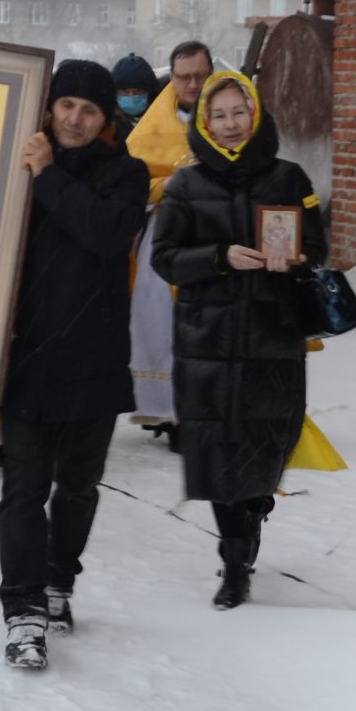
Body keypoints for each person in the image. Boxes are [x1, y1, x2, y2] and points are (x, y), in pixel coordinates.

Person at [149, 69, 325, 610]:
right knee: (217, 451)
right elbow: (165, 259)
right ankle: (234, 563)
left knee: (265, 445)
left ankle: (251, 520)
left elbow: (316, 250)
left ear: (255, 115)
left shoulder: (290, 179)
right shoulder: (185, 184)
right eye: (218, 115)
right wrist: (219, 258)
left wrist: (296, 259)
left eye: (238, 112)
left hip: (273, 338)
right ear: (204, 122)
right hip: (208, 340)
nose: (229, 124)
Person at [0, 57, 149, 671]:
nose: (76, 118)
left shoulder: (127, 175)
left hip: (95, 357)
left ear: (105, 119)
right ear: (49, 108)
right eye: (66, 106)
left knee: (78, 488)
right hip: (25, 357)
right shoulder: (17, 168)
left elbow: (106, 233)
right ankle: (24, 612)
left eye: (89, 110)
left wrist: (49, 176)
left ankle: (59, 579)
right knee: (23, 491)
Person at [124, 40, 216, 432]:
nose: (192, 85)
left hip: (219, 235)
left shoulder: (235, 113)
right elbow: (132, 186)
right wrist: (175, 183)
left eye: (200, 75)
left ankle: (205, 408)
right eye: (184, 77)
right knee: (159, 320)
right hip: (165, 235)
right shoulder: (152, 127)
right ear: (172, 78)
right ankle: (166, 411)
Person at [111, 52, 159, 140]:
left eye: (138, 91)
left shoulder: (164, 119)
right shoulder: (107, 127)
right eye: (125, 92)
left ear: (150, 92)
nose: (131, 97)